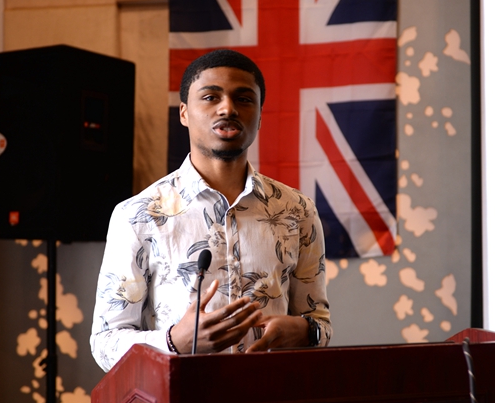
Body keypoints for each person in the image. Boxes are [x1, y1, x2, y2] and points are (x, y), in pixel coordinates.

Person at [90, 49, 332, 372]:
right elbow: (105, 343)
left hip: (272, 395)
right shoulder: (137, 215)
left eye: (243, 99)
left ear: (260, 116)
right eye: (210, 97)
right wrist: (174, 342)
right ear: (184, 113)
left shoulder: (298, 211)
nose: (228, 108)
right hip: (183, 398)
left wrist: (305, 332)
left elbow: (320, 324)